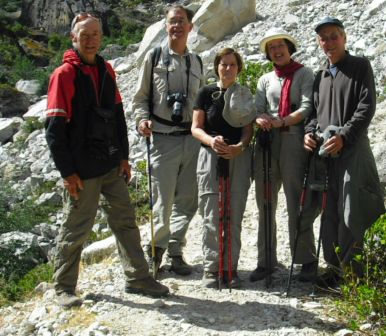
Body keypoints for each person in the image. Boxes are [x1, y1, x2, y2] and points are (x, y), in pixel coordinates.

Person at [45, 13, 169, 308]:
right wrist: (67, 171)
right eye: (84, 35)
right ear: (73, 38)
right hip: (81, 170)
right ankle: (63, 287)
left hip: (110, 164)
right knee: (76, 228)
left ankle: (138, 277)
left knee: (125, 221)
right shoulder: (64, 75)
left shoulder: (106, 70)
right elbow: (54, 129)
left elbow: (116, 116)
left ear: (101, 38)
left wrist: (124, 157)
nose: (90, 40)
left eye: (95, 35)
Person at [304, 17, 385, 288]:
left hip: (352, 149)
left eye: (333, 36)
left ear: (344, 37)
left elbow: (366, 106)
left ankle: (353, 274)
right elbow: (314, 115)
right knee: (330, 211)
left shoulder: (360, 66)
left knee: (351, 210)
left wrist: (345, 136)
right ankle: (334, 271)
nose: (328, 42)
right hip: (326, 153)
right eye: (323, 38)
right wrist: (310, 132)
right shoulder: (321, 76)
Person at [132, 5, 204, 276]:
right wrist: (142, 120)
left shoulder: (196, 61)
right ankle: (155, 253)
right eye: (172, 22)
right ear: (165, 26)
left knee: (188, 201)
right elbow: (140, 97)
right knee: (162, 202)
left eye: (181, 21)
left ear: (190, 27)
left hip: (192, 140)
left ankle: (176, 250)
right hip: (162, 139)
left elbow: (202, 103)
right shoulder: (154, 57)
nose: (177, 26)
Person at [250, 28, 318, 283]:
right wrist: (261, 118)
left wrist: (282, 121)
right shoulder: (265, 79)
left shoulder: (304, 73)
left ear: (290, 48)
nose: (277, 51)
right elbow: (257, 108)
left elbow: (307, 106)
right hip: (268, 142)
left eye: (280, 46)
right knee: (265, 201)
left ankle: (306, 260)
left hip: (293, 140)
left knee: (296, 201)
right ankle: (266, 260)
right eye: (272, 48)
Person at [191, 48, 255, 288]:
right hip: (210, 155)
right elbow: (196, 127)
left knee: (234, 211)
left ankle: (230, 267)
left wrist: (240, 146)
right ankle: (211, 268)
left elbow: (248, 128)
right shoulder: (206, 93)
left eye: (232, 65)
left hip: (237, 157)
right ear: (216, 66)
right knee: (211, 211)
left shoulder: (244, 94)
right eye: (223, 64)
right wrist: (211, 141)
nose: (228, 69)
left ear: (238, 68)